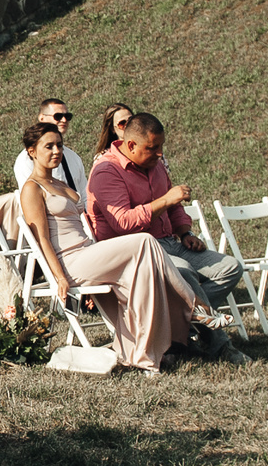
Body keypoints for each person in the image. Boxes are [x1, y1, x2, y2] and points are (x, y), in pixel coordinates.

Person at [17, 120, 209, 375]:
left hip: (87, 252)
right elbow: (41, 239)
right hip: (69, 262)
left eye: (59, 145)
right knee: (145, 240)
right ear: (32, 151)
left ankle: (144, 356)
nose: (56, 151)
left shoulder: (63, 185)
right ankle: (193, 306)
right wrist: (59, 278)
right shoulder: (32, 188)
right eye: (48, 146)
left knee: (142, 275)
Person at [89, 113, 246, 343]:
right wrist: (165, 200)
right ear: (131, 145)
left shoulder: (156, 165)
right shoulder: (106, 172)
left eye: (161, 146)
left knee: (230, 268)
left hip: (169, 243)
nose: (160, 153)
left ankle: (177, 327)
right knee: (183, 271)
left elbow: (174, 209)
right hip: (135, 252)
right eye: (153, 148)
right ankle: (219, 345)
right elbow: (122, 222)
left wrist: (185, 232)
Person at [11, 97, 89, 195]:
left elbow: (85, 193)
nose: (64, 120)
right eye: (58, 116)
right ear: (42, 118)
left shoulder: (73, 157)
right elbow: (29, 198)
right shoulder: (26, 160)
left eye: (67, 116)